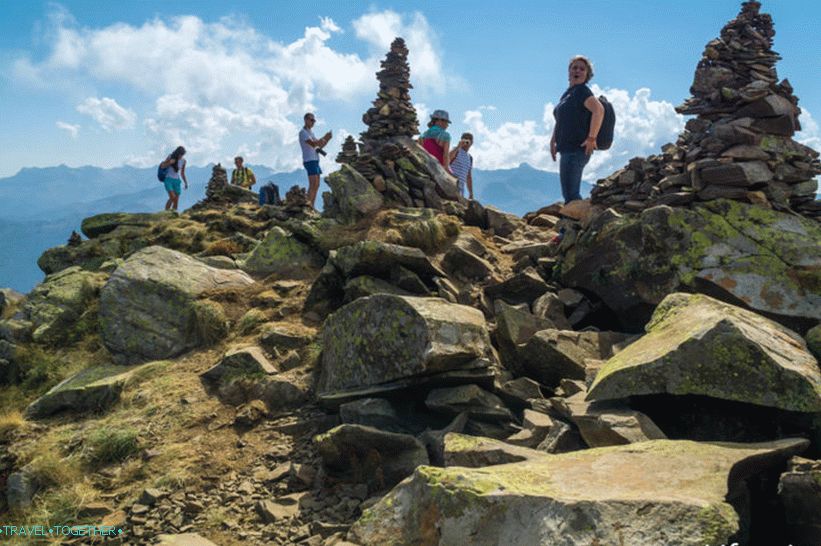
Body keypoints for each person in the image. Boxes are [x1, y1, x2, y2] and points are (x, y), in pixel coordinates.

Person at [550, 55, 604, 203]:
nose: (578, 71)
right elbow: (561, 120)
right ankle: (574, 224)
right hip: (566, 149)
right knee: (569, 192)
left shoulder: (582, 91)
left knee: (571, 194)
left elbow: (598, 110)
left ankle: (574, 225)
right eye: (574, 67)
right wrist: (553, 141)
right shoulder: (568, 94)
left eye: (582, 69)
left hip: (577, 149)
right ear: (569, 71)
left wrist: (592, 138)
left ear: (587, 75)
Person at [299, 113, 332, 208]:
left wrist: (327, 139)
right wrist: (325, 137)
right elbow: (313, 144)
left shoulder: (310, 132)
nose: (313, 122)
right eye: (311, 120)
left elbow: (319, 146)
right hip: (309, 160)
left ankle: (311, 205)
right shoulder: (303, 132)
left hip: (315, 160)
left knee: (317, 184)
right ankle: (308, 206)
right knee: (313, 184)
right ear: (305, 120)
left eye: (314, 120)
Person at [160, 146, 188, 211]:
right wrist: (169, 162)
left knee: (176, 200)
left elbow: (182, 173)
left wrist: (186, 183)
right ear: (177, 153)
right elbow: (162, 166)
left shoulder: (183, 161)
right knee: (173, 197)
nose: (181, 156)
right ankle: (166, 214)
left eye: (182, 155)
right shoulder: (170, 156)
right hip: (168, 180)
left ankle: (173, 215)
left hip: (177, 181)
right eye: (180, 154)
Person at [448, 132, 474, 199]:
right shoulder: (456, 150)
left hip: (461, 189)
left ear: (472, 142)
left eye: (470, 139)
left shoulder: (470, 158)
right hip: (450, 184)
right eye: (465, 138)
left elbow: (468, 177)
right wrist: (458, 146)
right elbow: (447, 158)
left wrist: (471, 193)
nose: (467, 140)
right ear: (461, 139)